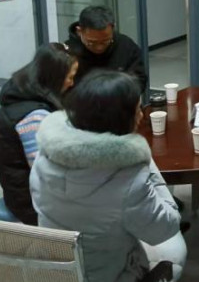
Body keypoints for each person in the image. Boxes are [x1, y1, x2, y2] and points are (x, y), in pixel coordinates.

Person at [30, 70, 187, 282]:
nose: (141, 116)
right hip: (109, 275)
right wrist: (143, 159)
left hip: (56, 272)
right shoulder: (130, 179)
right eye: (137, 110)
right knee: (175, 250)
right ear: (119, 120)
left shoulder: (45, 155)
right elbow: (167, 226)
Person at [0, 42, 77, 225]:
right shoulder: (34, 117)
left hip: (25, 192)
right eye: (70, 77)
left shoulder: (23, 95)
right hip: (30, 203)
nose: (72, 83)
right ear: (54, 78)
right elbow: (47, 173)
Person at [66, 5, 147, 91]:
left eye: (105, 41)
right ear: (79, 31)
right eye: (91, 42)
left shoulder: (126, 45)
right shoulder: (67, 53)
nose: (99, 48)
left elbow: (139, 79)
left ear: (112, 29)